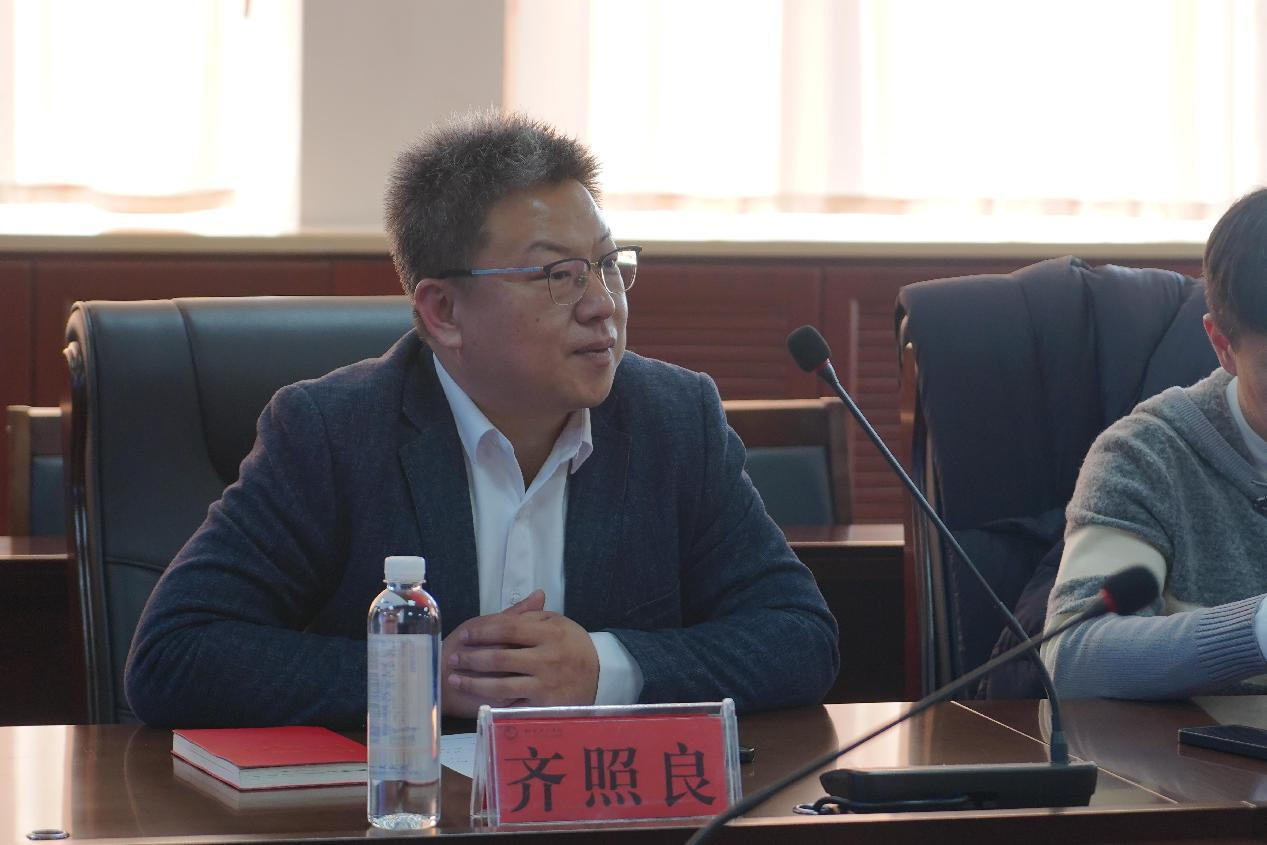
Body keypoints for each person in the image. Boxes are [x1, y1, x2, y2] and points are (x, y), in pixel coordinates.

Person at [124, 110, 840, 727]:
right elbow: (174, 655)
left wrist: (604, 667)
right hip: (404, 812)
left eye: (608, 264)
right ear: (443, 311)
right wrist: (425, 676)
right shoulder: (334, 433)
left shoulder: (674, 420)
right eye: (557, 275)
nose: (603, 304)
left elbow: (800, 636)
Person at [1041, 187, 1267, 698]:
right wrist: (1256, 631)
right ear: (1222, 345)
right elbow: (1072, 655)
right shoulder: (1146, 456)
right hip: (1205, 751)